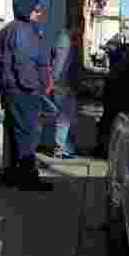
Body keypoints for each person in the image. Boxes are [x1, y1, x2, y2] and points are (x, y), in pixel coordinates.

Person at [0, 0, 54, 192]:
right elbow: (24, 63)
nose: (39, 13)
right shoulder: (24, 30)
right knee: (28, 134)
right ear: (26, 10)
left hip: (10, 89)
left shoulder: (7, 29)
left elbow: (0, 62)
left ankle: (11, 174)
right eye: (36, 10)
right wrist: (34, 88)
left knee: (13, 131)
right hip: (23, 91)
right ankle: (28, 179)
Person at [50, 25, 82, 158]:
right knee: (64, 119)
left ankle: (67, 148)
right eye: (80, 28)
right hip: (64, 86)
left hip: (65, 86)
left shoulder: (67, 41)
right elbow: (60, 67)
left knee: (69, 119)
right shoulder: (65, 42)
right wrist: (62, 85)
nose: (81, 32)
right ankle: (60, 149)